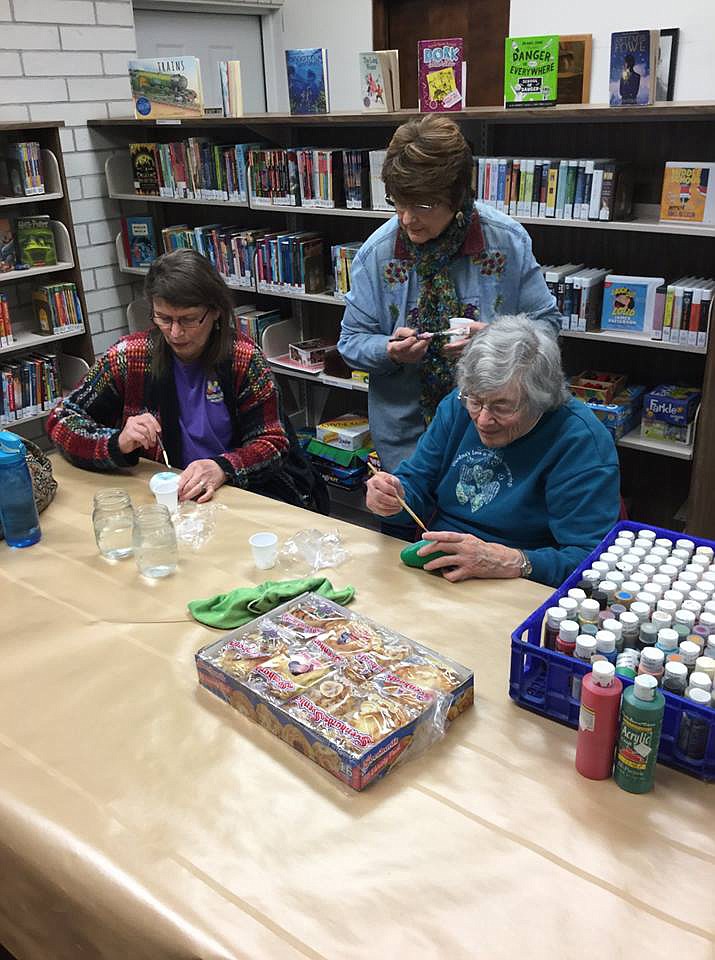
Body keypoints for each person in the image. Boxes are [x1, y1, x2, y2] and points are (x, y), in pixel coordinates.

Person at [338, 113, 561, 474]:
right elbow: (350, 342)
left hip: (497, 432)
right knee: (411, 527)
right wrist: (389, 351)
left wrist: (495, 339)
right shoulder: (377, 254)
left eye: (423, 205)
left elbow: (548, 327)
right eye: (398, 201)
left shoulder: (505, 242)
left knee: (479, 527)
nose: (408, 219)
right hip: (406, 440)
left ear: (457, 195)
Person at [48, 248, 320, 509]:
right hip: (163, 498)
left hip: (235, 496)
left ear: (215, 312)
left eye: (188, 319)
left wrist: (222, 467)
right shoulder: (130, 356)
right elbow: (61, 419)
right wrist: (118, 442)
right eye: (164, 318)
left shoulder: (243, 358)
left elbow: (272, 443)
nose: (175, 333)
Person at [365, 315, 620, 588]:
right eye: (475, 401)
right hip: (439, 567)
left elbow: (589, 561)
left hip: (521, 583)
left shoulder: (580, 441)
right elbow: (416, 485)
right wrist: (394, 498)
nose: (483, 420)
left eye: (502, 406)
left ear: (541, 399)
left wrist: (513, 561)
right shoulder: (457, 406)